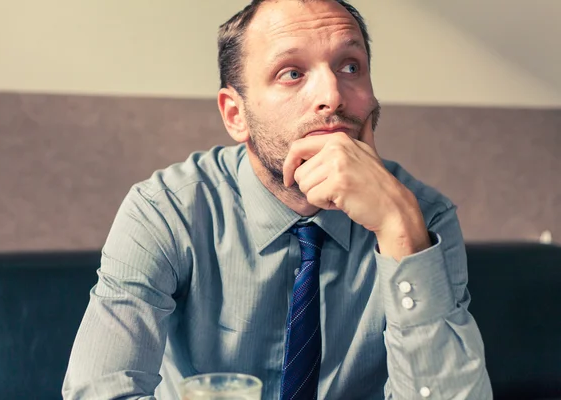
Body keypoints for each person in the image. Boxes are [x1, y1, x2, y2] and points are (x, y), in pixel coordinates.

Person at [63, 0, 493, 398]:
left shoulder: (423, 216)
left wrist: (400, 232)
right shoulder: (165, 210)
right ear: (236, 115)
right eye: (292, 72)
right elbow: (99, 390)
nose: (333, 96)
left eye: (350, 66)